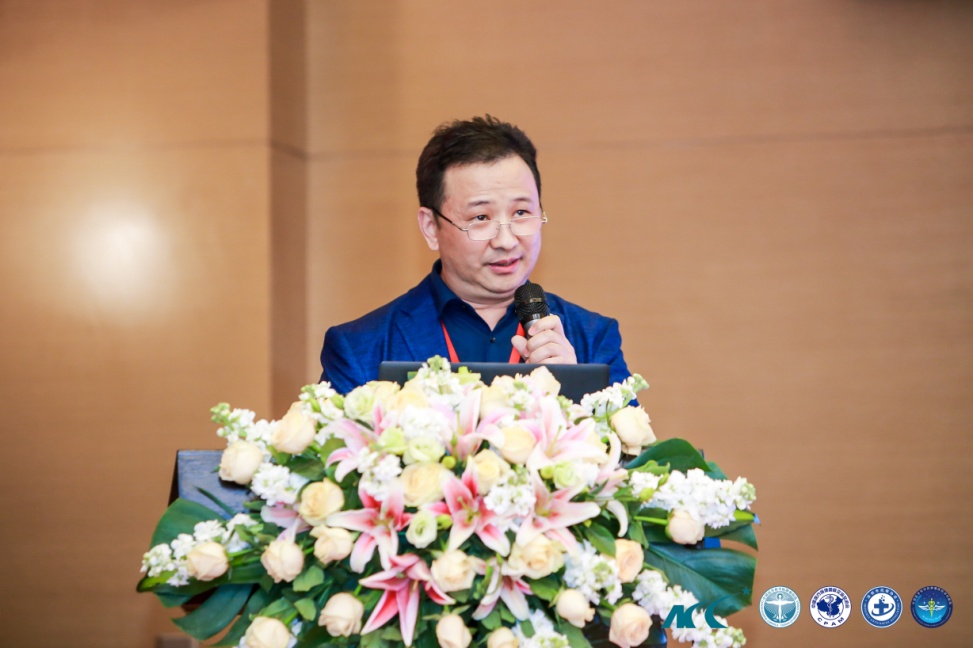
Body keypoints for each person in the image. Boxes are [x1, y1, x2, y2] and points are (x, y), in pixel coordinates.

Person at [319, 115, 631, 394]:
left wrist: (575, 391)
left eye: (521, 213)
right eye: (481, 218)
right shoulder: (361, 348)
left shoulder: (592, 340)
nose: (506, 240)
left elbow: (632, 442)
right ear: (431, 227)